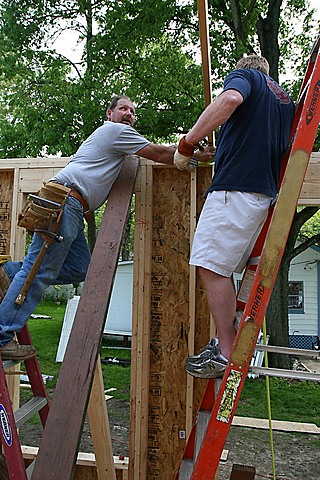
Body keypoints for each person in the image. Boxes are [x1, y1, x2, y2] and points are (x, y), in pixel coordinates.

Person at [0, 95, 213, 361]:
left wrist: (189, 152)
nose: (129, 114)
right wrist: (193, 151)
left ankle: (7, 272)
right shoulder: (115, 131)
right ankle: (2, 336)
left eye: (133, 112)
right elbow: (159, 153)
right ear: (109, 114)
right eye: (123, 109)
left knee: (79, 268)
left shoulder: (122, 140)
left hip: (72, 207)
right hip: (64, 202)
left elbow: (164, 149)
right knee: (40, 270)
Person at [173, 55, 295, 378]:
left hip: (235, 190)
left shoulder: (246, 78)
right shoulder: (284, 102)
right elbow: (263, 143)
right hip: (260, 196)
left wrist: (187, 144)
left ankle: (226, 350)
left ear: (247, 69)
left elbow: (229, 99)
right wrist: (220, 152)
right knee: (222, 266)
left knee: (210, 263)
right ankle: (228, 340)